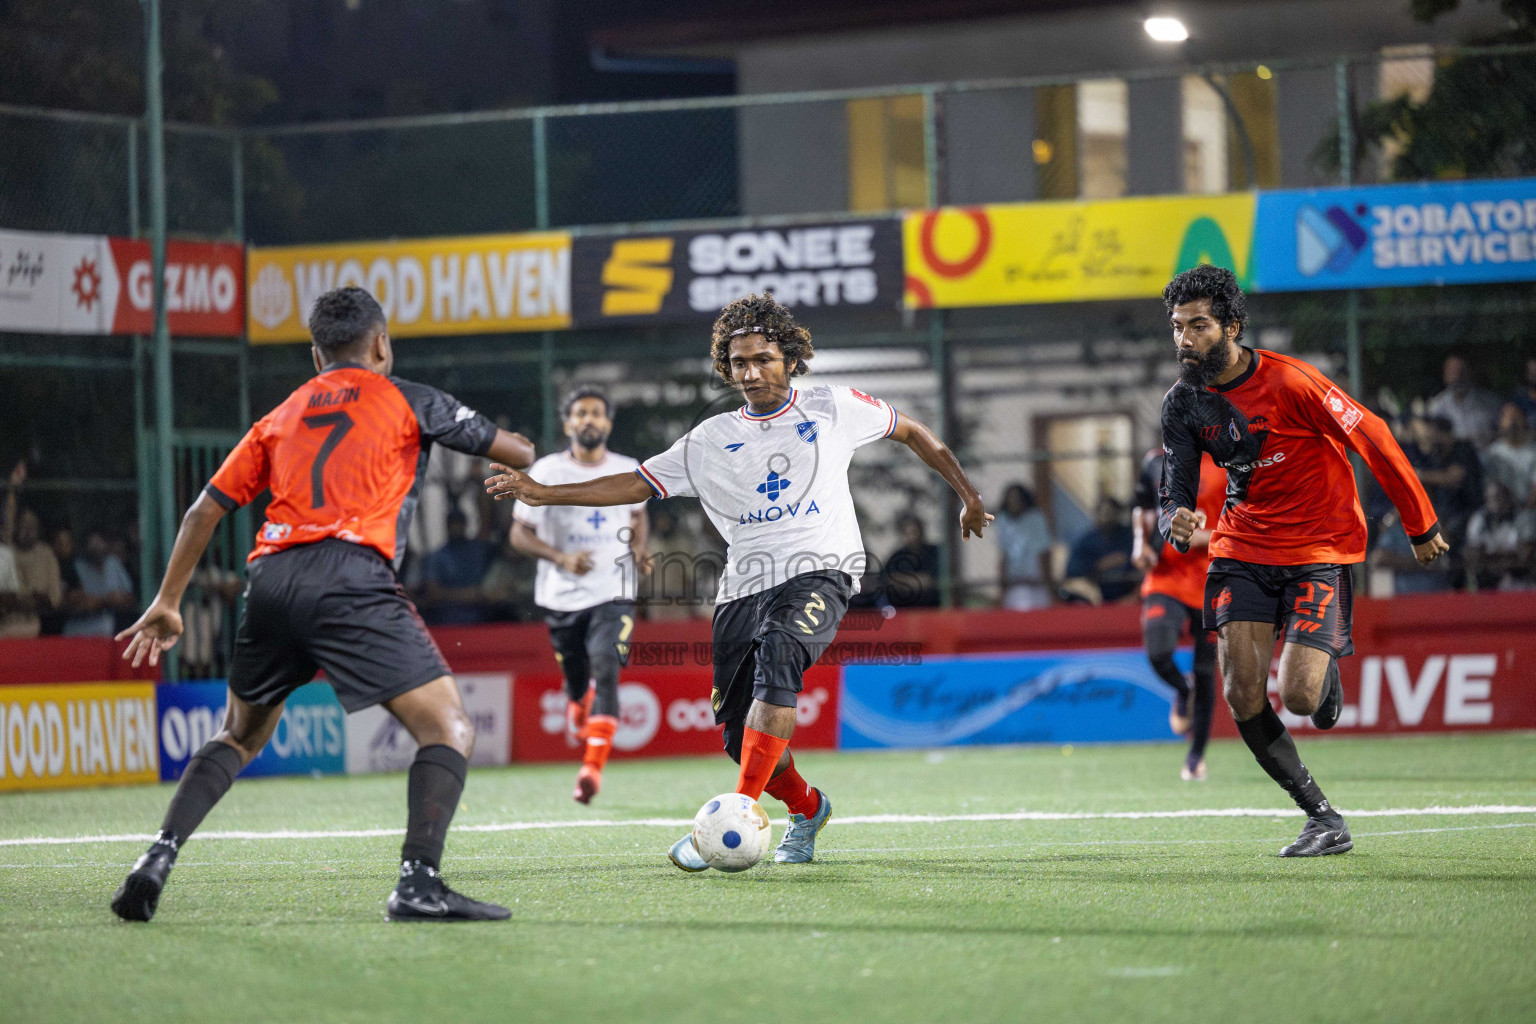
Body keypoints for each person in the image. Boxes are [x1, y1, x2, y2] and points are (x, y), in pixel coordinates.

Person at [486, 293, 991, 869]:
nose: (751, 373)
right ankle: (809, 808)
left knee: (781, 661)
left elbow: (915, 433)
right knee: (735, 736)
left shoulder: (833, 406)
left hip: (821, 571)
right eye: (739, 363)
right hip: (743, 587)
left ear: (792, 359)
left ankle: (736, 814)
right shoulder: (707, 440)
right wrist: (545, 493)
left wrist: (968, 495)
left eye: (764, 359)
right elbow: (634, 484)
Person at [109, 286, 535, 923]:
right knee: (448, 728)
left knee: (239, 734)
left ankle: (157, 856)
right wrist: (515, 445)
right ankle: (419, 882)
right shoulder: (411, 398)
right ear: (382, 344)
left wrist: (169, 600)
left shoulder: (279, 416)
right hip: (352, 575)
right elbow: (518, 453)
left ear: (316, 355)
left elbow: (204, 510)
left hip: (272, 579)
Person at [1159, 265, 1446, 858]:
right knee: (1242, 692)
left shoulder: (1294, 384)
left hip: (1319, 548)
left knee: (1301, 699)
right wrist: (1176, 518)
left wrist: (1421, 524)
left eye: (1200, 326)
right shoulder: (1183, 403)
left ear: (1233, 326)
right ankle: (1321, 816)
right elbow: (1177, 485)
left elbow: (1374, 435)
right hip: (1241, 547)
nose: (1185, 340)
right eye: (1178, 328)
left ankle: (1324, 667)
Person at [510, 384, 649, 805]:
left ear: (607, 423)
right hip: (562, 596)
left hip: (614, 590)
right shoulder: (547, 472)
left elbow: (639, 515)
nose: (589, 420)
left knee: (607, 666)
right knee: (575, 678)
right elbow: (519, 533)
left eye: (596, 413)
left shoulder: (629, 468)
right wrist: (561, 558)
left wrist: (638, 552)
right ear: (568, 422)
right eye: (581, 413)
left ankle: (592, 767)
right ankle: (575, 699)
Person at [1131, 444, 1225, 781]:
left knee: (1205, 671)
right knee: (1158, 653)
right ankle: (1182, 690)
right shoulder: (1157, 460)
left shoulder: (1230, 462)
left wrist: (1202, 537)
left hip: (1212, 579)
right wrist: (1139, 543)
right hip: (1166, 579)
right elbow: (1142, 506)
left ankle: (1196, 755)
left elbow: (1249, 522)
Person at [420, 509, 497, 625]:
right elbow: (432, 593)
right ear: (447, 526)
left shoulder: (479, 550)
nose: (456, 528)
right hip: (448, 619)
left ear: (465, 525)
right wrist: (466, 595)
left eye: (459, 523)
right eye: (453, 524)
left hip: (482, 618)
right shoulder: (437, 557)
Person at [1062, 496, 1139, 604]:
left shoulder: (1130, 538)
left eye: (1112, 513)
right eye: (1104, 513)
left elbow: (1143, 566)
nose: (1108, 518)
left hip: (1128, 598)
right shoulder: (1086, 541)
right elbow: (1072, 571)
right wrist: (1100, 565)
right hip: (1095, 599)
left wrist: (1135, 594)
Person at [1464, 481, 1536, 590]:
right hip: (1489, 580)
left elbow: (1525, 556)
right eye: (1489, 498)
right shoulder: (1479, 519)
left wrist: (1490, 556)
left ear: (1507, 497)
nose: (1494, 502)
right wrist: (1507, 556)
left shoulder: (1522, 517)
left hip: (1520, 579)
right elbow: (1473, 555)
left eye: (1498, 497)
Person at [63, 530, 136, 637]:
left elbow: (129, 596)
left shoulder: (113, 563)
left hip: (112, 623)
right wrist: (108, 600)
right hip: (81, 625)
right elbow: (80, 602)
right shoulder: (77, 567)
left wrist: (103, 601)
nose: (97, 549)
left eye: (99, 544)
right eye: (93, 546)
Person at [994, 483, 1054, 610]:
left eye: (1017, 498)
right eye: (1011, 499)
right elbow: (1003, 555)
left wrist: (1048, 585)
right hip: (1014, 583)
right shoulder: (1003, 521)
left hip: (1035, 582)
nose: (1014, 502)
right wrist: (1002, 588)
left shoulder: (1036, 519)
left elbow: (1043, 552)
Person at [1426, 354, 1501, 448]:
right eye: (1452, 372)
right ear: (1445, 375)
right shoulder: (1436, 406)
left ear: (1470, 373)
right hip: (1452, 460)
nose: (1457, 376)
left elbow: (1502, 435)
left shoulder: (1491, 402)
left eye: (1461, 371)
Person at [880, 513, 941, 607]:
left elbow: (929, 579)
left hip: (929, 600)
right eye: (908, 534)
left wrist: (903, 579)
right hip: (903, 600)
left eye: (915, 532)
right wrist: (912, 580)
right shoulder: (897, 555)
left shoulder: (934, 552)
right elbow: (888, 578)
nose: (913, 537)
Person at [1482, 403, 1536, 508]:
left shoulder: (1534, 450)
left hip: (1530, 509)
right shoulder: (1494, 452)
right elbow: (1489, 486)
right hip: (1500, 511)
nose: (1512, 423)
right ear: (1501, 423)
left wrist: (1524, 509)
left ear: (1524, 420)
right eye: (1508, 418)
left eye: (1516, 417)